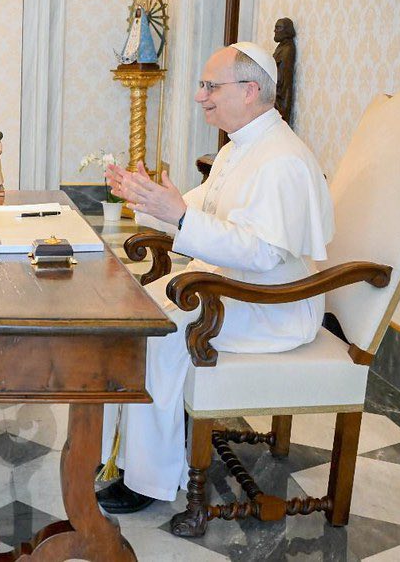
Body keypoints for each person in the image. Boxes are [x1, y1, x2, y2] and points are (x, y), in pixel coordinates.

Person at [95, 41, 334, 514]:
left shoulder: (281, 159)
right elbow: (196, 209)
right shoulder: (239, 146)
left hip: (273, 304)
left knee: (158, 334)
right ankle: (114, 455)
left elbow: (264, 253)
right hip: (231, 288)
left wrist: (180, 216)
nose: (200, 95)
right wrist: (147, 200)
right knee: (128, 314)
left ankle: (148, 479)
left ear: (249, 91)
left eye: (210, 86)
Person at [273, 17, 297, 125]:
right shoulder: (281, 47)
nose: (275, 31)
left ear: (287, 31)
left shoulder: (288, 49)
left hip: (281, 99)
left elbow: (282, 77)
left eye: (278, 28)